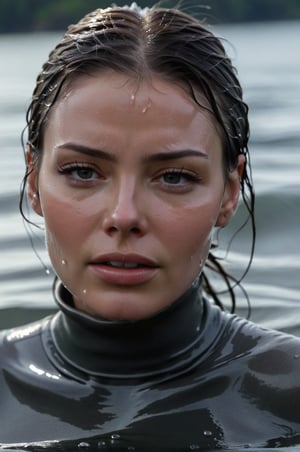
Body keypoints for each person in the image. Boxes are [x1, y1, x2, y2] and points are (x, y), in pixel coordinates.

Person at [0, 3, 300, 451]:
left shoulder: (289, 394)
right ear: (33, 181)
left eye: (175, 177)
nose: (124, 216)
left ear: (229, 194)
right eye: (83, 171)